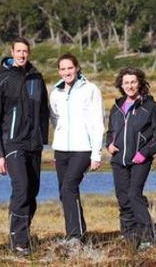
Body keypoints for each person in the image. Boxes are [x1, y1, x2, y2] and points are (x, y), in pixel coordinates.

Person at [0, 38, 50, 256]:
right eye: (18, 51)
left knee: (32, 191)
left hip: (34, 145)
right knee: (21, 188)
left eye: (25, 51)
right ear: (12, 52)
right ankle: (18, 242)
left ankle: (24, 235)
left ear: (29, 53)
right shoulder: (0, 81)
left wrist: (43, 139)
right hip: (12, 144)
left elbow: (43, 111)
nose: (22, 55)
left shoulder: (36, 78)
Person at [106, 67, 156, 249]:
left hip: (140, 160)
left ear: (139, 83)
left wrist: (145, 152)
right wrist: (108, 144)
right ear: (121, 85)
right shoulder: (116, 107)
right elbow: (110, 132)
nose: (130, 86)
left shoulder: (151, 107)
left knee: (134, 195)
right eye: (126, 83)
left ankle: (149, 237)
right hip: (118, 160)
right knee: (123, 199)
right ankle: (129, 236)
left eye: (133, 82)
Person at [49, 53, 104, 245]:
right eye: (63, 69)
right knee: (65, 192)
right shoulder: (55, 93)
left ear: (77, 68)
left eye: (70, 68)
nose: (67, 72)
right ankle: (74, 231)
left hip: (83, 149)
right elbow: (55, 119)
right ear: (59, 71)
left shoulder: (90, 89)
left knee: (69, 186)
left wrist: (96, 153)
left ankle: (75, 234)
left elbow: (98, 122)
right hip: (61, 150)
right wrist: (59, 140)